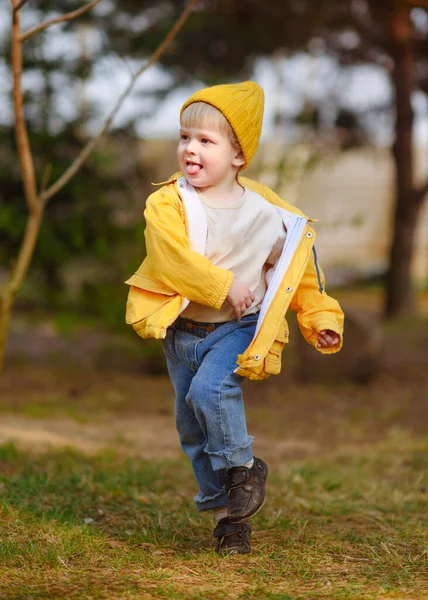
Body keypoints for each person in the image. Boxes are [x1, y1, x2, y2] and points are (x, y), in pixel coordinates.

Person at [125, 81, 344, 555]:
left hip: (238, 329)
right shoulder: (170, 202)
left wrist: (319, 317)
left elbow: (301, 274)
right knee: (193, 426)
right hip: (183, 333)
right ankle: (231, 519)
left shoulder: (271, 213)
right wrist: (222, 284)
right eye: (185, 137)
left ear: (239, 155)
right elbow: (168, 258)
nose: (190, 149)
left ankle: (245, 470)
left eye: (206, 141)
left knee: (211, 391)